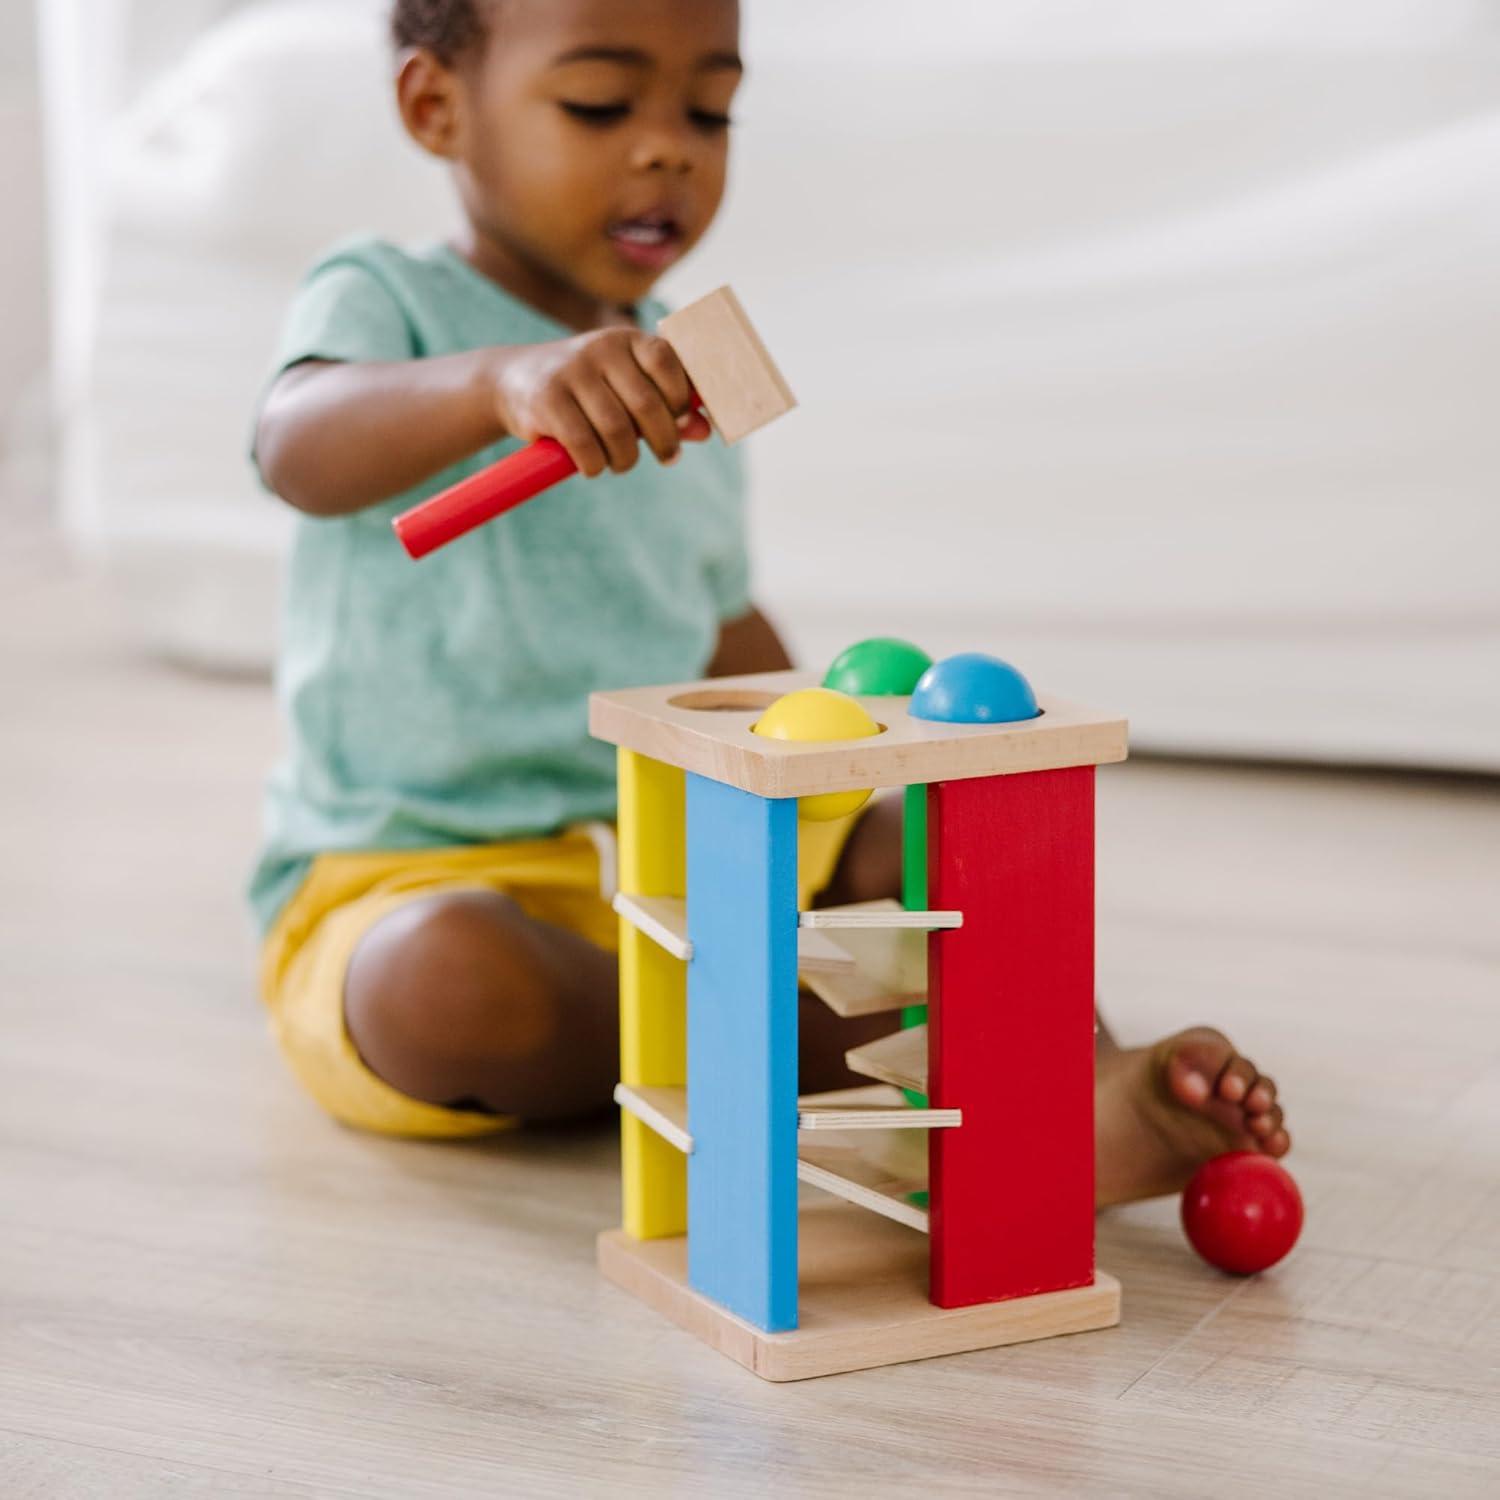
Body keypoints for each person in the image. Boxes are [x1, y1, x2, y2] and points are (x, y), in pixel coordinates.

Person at [251, 0, 1289, 1201]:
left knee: (926, 844)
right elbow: (295, 445)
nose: (668, 150)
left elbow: (721, 627)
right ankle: (825, 1055)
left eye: (710, 111)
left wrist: (831, 762)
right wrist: (498, 384)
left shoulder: (685, 377)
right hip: (420, 869)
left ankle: (1076, 1101)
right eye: (599, 104)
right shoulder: (387, 299)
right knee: (444, 982)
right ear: (438, 107)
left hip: (670, 858)